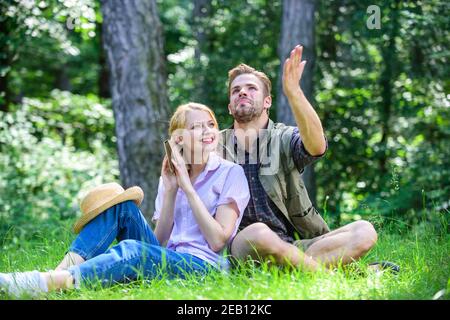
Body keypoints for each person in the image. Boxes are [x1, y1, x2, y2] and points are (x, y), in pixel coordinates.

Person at [0, 102, 250, 298]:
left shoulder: (230, 173)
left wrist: (188, 187)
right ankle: (55, 276)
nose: (207, 131)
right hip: (168, 259)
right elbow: (160, 242)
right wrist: (173, 189)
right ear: (179, 139)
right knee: (121, 205)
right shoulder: (171, 178)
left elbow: (218, 241)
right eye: (196, 127)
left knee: (133, 252)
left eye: (211, 124)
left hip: (203, 267)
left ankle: (49, 283)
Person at [219, 45, 383, 272]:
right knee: (258, 233)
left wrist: (294, 92)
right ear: (230, 107)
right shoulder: (213, 147)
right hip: (243, 247)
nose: (242, 92)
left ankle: (293, 269)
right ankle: (335, 275)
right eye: (236, 90)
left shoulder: (284, 137)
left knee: (365, 231)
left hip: (293, 245)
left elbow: (316, 146)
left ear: (268, 101)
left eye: (251, 88)